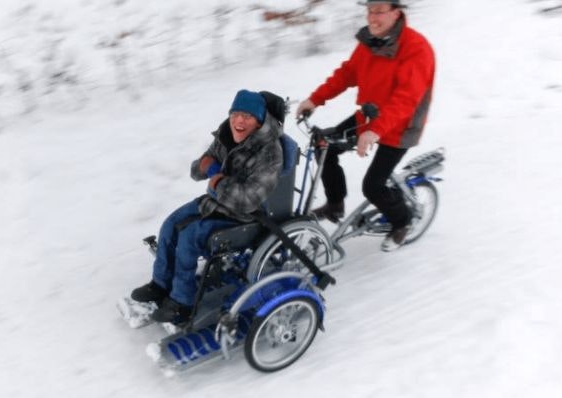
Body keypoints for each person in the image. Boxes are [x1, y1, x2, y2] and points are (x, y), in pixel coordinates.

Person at [131, 89, 284, 323]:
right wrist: (202, 168)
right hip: (215, 202)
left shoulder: (270, 151)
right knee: (171, 224)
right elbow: (199, 169)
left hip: (247, 217)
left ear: (259, 120)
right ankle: (160, 285)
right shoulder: (225, 134)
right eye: (236, 114)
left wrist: (219, 181)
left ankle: (182, 303)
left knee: (189, 237)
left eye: (247, 116)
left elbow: (248, 201)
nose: (239, 121)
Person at [296, 0, 435, 252]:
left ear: (396, 12)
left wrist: (375, 130)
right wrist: (315, 99)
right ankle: (335, 203)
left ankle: (402, 222)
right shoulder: (369, 42)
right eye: (369, 11)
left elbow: (406, 100)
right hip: (370, 117)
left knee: (373, 186)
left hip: (401, 125)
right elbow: (347, 74)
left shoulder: (416, 48)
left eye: (379, 11)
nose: (372, 17)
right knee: (323, 145)